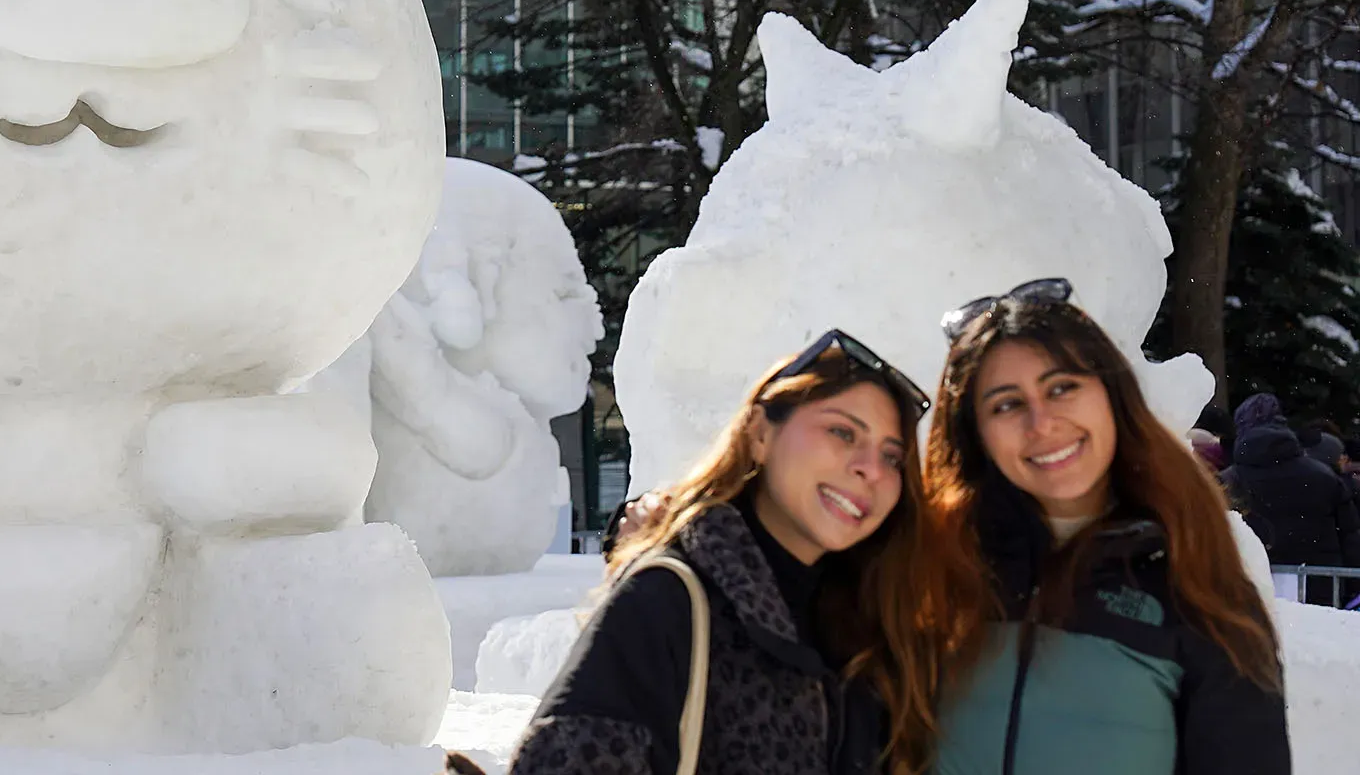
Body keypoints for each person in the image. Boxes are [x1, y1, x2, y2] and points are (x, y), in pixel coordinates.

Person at [510, 331, 939, 775]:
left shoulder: (875, 628)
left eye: (892, 456)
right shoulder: (670, 602)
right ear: (759, 433)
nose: (870, 468)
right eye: (842, 432)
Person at [924, 279, 1287, 774]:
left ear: (1112, 395)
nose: (1042, 422)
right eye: (1006, 403)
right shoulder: (926, 572)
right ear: (973, 430)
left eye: (1062, 388)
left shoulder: (1196, 583)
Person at [1221, 394, 1360, 606]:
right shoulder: (1324, 477)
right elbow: (1350, 540)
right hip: (1321, 595)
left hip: (1245, 597)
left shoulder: (1227, 482)